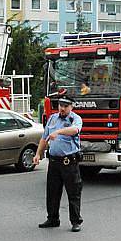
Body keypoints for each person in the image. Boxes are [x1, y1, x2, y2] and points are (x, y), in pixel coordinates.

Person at [33, 95, 84, 232]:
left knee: (73, 192)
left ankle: (75, 221)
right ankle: (52, 219)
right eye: (60, 105)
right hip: (54, 162)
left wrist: (59, 131)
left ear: (71, 107)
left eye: (65, 106)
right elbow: (44, 138)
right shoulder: (52, 118)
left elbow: (75, 130)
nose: (62, 108)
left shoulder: (75, 119)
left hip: (69, 162)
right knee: (52, 192)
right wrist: (38, 154)